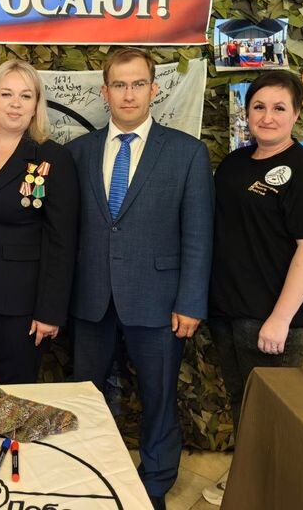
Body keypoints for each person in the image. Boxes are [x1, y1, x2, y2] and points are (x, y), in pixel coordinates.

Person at [67, 48, 213, 510]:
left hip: (159, 301)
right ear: (105, 91)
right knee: (87, 398)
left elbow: (198, 235)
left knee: (158, 398)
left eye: (137, 84)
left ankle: (154, 487)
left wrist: (190, 302)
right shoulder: (78, 153)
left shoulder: (187, 153)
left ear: (154, 89)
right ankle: (90, 477)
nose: (128, 94)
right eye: (119, 85)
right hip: (91, 300)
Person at [202, 71, 303, 506]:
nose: (268, 116)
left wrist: (279, 319)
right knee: (242, 404)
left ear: (296, 113)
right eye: (259, 107)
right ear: (247, 112)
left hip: (273, 319)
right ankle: (247, 478)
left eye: (279, 108)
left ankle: (275, 493)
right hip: (227, 312)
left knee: (276, 414)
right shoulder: (234, 164)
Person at [0, 59, 79, 385]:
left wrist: (50, 311)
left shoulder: (52, 157)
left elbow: (62, 242)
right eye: (6, 94)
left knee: (17, 388)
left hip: (22, 301)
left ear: (36, 105)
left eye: (25, 95)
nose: (15, 104)